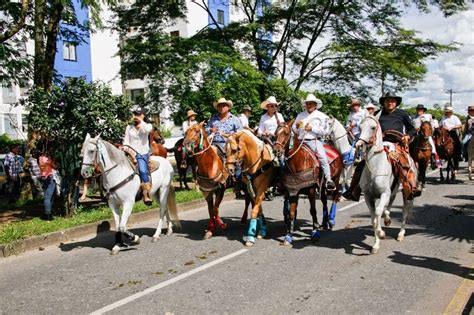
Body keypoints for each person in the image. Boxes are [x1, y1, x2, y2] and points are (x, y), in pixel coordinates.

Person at [343, 92, 422, 201]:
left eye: (392, 101)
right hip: (379, 144)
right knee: (363, 163)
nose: (390, 103)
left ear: (396, 103)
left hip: (396, 143)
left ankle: (412, 186)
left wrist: (407, 136)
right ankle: (353, 190)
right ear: (384, 102)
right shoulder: (378, 114)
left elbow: (412, 129)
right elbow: (370, 126)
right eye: (387, 101)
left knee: (403, 162)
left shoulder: (402, 114)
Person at [292, 94, 336, 190]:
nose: (309, 105)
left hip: (314, 141)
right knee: (288, 156)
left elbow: (325, 131)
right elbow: (294, 129)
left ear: (315, 105)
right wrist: (297, 126)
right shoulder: (300, 115)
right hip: (300, 142)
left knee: (323, 158)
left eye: (311, 103)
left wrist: (312, 128)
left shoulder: (322, 116)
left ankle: (329, 179)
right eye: (308, 103)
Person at [122, 106, 153, 205]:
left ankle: (147, 194)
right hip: (130, 153)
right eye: (135, 114)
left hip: (142, 153)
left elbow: (148, 130)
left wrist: (141, 121)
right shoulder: (129, 127)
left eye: (139, 114)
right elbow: (126, 141)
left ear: (143, 116)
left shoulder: (147, 126)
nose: (136, 116)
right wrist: (127, 149)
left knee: (143, 170)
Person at [38, 150, 57, 221]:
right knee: (48, 197)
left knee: (49, 196)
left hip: (44, 178)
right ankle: (48, 214)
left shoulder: (40, 158)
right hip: (49, 177)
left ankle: (49, 213)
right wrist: (53, 159)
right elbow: (54, 166)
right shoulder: (46, 159)